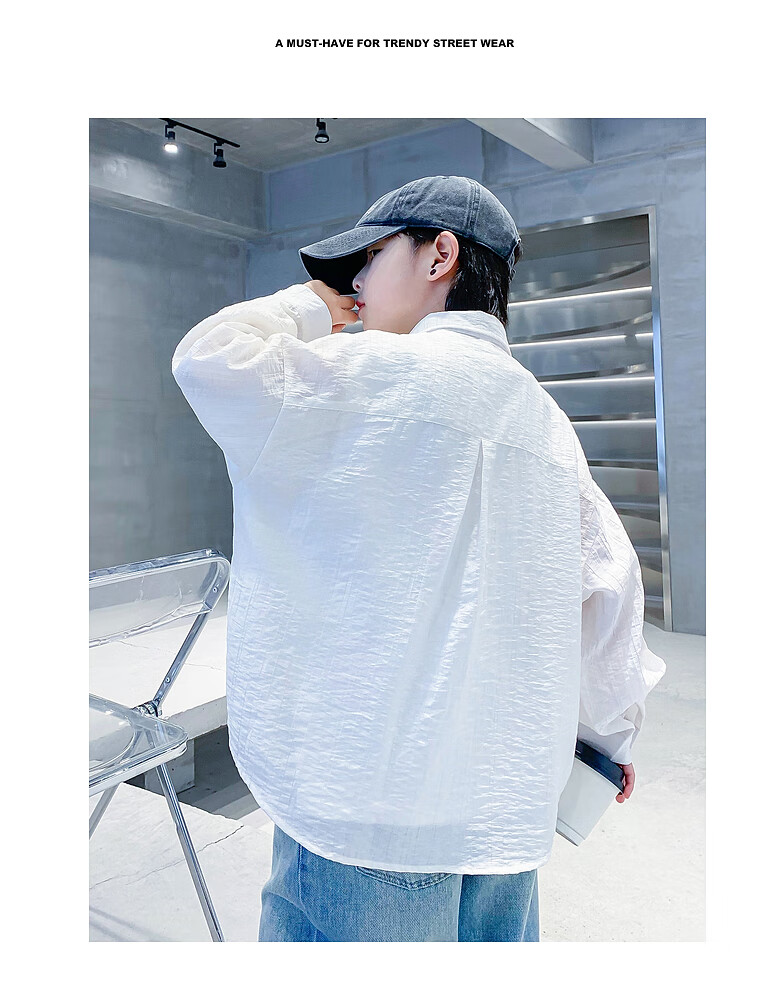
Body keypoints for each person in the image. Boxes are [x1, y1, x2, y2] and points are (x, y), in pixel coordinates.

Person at [172, 175, 666, 942]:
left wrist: (314, 306)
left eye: (370, 258)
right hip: (504, 814)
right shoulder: (548, 423)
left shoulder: (349, 379)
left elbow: (207, 358)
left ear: (440, 254)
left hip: (367, 816)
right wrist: (607, 737)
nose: (357, 284)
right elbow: (612, 590)